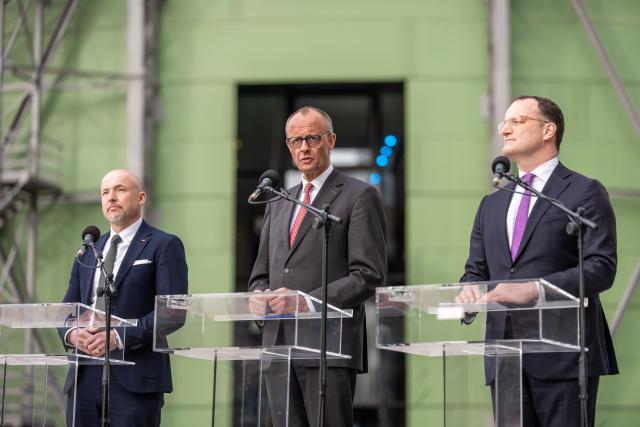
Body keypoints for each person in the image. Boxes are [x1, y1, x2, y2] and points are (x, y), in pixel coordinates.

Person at [458, 95, 618, 427]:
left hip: (564, 355)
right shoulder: (491, 204)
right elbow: (476, 271)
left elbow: (600, 267)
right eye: (504, 122)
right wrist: (468, 293)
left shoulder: (584, 192)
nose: (505, 129)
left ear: (548, 130)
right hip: (505, 360)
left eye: (518, 121)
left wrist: (536, 289)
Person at [248, 106, 387, 426]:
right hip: (278, 347)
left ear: (331, 140)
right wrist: (257, 297)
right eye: (295, 141)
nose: (304, 148)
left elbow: (368, 275)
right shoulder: (278, 201)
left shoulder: (359, 195)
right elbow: (261, 274)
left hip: (328, 347)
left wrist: (306, 302)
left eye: (312, 138)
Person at [61, 169, 188, 426]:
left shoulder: (164, 245)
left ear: (141, 198)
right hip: (84, 378)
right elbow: (66, 309)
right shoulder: (88, 250)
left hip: (135, 378)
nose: (111, 197)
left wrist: (118, 337)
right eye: (105, 193)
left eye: (120, 190)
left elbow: (172, 312)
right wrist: (71, 333)